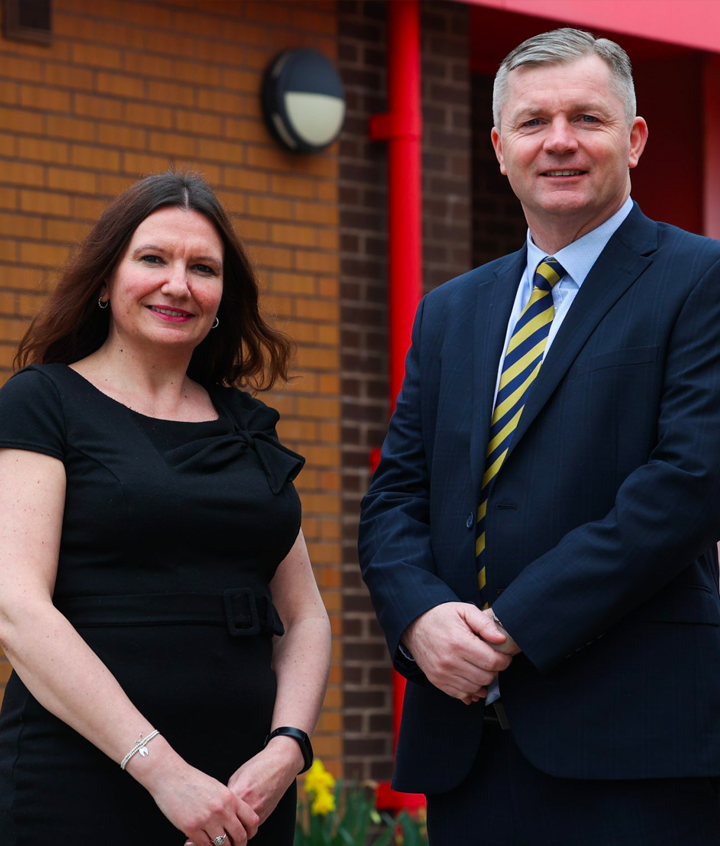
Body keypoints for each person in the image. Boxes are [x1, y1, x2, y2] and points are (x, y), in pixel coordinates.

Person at [359, 27, 720, 845]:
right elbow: (395, 496)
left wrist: (513, 626)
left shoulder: (701, 280)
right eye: (533, 122)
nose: (559, 141)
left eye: (586, 118)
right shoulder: (450, 311)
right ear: (499, 148)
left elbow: (689, 483)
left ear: (634, 138)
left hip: (636, 748)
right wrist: (421, 620)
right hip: (469, 749)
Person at [0, 170, 331, 845]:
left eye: (202, 268)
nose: (178, 284)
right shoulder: (42, 402)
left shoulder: (247, 426)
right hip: (80, 781)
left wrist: (287, 748)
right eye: (153, 259)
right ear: (104, 281)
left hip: (245, 794)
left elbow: (305, 616)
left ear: (221, 298)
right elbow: (17, 609)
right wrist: (162, 772)